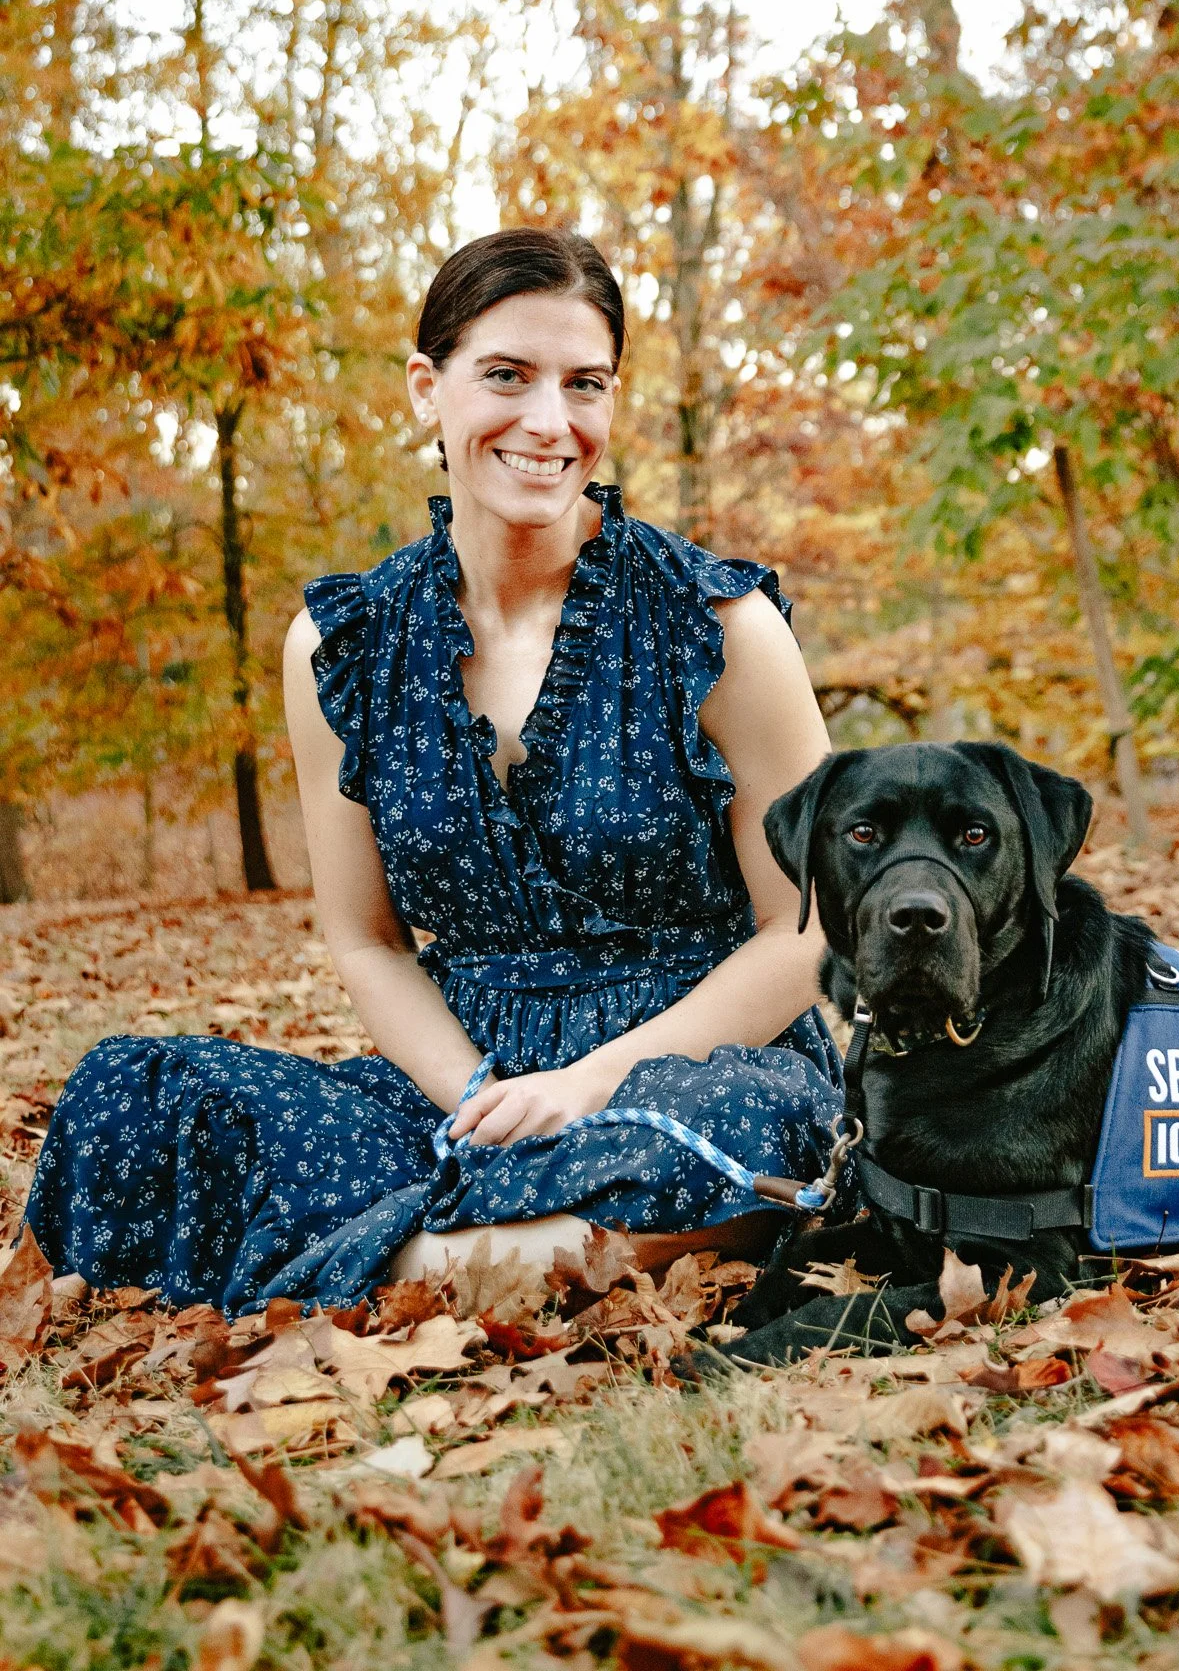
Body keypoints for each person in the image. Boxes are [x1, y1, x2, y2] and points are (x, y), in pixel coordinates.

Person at [22, 228, 845, 1312]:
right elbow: (366, 939)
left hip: (693, 1062)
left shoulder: (717, 623)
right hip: (463, 1084)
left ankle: (397, 1257)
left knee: (729, 1135)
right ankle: (478, 1251)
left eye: (583, 384)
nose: (549, 421)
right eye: (505, 375)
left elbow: (811, 921)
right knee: (138, 1094)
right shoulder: (342, 646)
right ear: (427, 387)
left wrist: (593, 1083)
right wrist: (473, 1090)